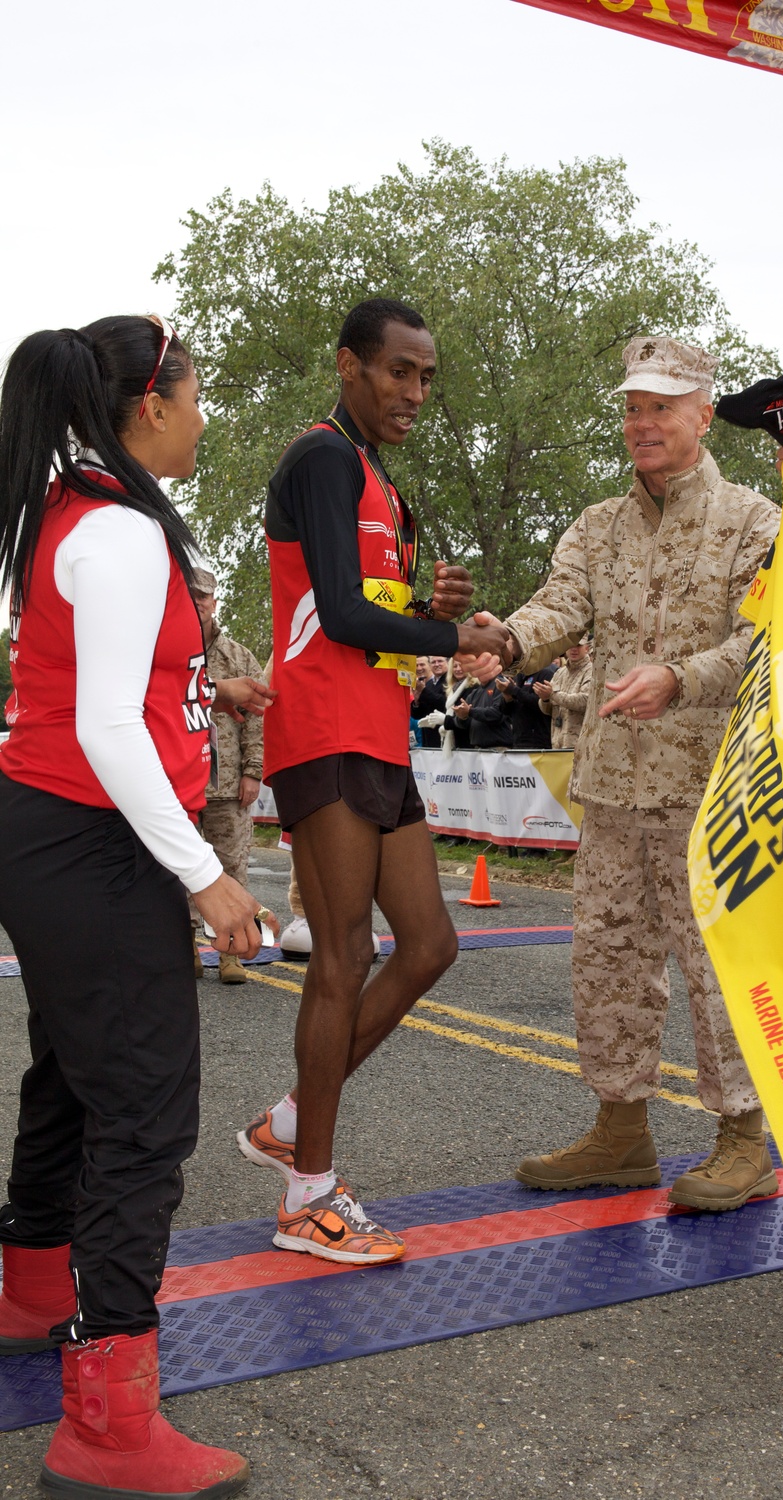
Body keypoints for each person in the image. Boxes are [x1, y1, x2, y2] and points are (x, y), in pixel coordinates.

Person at [0, 315, 275, 1497]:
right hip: (93, 843)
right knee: (147, 1117)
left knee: (72, 1071)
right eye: (198, 396)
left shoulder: (74, 512)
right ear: (149, 404)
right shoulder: (115, 530)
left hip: (54, 836)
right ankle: (106, 1425)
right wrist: (204, 875)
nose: (206, 418)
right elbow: (111, 725)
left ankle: (29, 1285)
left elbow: (109, 693)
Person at [475, 335, 779, 1206]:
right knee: (608, 958)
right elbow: (560, 606)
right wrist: (498, 641)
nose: (642, 423)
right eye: (633, 408)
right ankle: (621, 1131)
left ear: (703, 413)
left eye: (662, 406)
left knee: (720, 966)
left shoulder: (754, 521)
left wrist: (681, 679)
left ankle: (745, 1138)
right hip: (610, 784)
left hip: (713, 789)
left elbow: (766, 641)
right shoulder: (598, 524)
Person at [239, 298, 508, 1265]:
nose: (415, 392)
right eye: (400, 371)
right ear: (349, 364)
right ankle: (307, 1197)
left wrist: (433, 609)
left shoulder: (377, 479)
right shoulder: (319, 456)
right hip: (324, 733)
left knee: (430, 944)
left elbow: (369, 605)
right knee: (344, 955)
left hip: (377, 735)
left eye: (427, 376)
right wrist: (454, 636)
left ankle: (286, 1122)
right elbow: (342, 616)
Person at [189, 567, 266, 983]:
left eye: (203, 596)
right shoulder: (168, 654)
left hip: (227, 787)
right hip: (181, 783)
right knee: (178, 872)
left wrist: (253, 771)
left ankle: (232, 954)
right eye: (190, 596)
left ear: (214, 602)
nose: (197, 603)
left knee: (232, 869)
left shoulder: (237, 657)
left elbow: (256, 719)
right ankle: (187, 950)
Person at [537, 638, 593, 750]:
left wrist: (552, 695)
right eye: (570, 645)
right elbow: (547, 710)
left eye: (578, 645)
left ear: (586, 648)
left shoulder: (592, 671)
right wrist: (544, 699)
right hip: (557, 744)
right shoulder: (560, 672)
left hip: (581, 746)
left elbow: (585, 701)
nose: (573, 649)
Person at [499, 665, 555, 748]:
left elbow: (540, 704)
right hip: (518, 740)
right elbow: (504, 711)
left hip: (538, 741)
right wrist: (507, 698)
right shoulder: (517, 676)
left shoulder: (545, 674)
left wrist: (515, 691)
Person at [453, 673, 514, 748]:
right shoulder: (474, 693)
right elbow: (463, 724)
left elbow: (497, 714)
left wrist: (470, 711)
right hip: (478, 749)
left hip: (498, 748)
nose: (480, 671)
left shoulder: (501, 685)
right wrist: (462, 717)